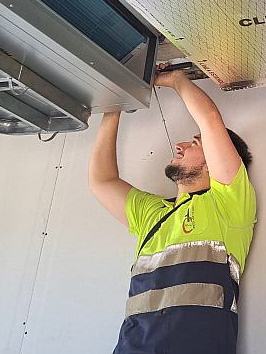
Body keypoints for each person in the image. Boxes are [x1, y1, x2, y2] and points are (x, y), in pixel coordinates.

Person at [88, 67, 257, 354]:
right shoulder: (153, 214)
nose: (179, 146)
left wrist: (176, 80)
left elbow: (210, 121)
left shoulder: (228, 207)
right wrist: (113, 108)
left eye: (194, 143)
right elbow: (102, 181)